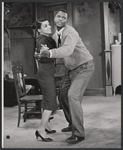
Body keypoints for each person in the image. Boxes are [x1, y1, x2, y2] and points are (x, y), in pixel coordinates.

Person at [41, 9, 95, 144]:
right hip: (71, 69)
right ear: (54, 18)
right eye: (58, 16)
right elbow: (54, 51)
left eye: (64, 18)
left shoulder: (70, 31)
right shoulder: (55, 36)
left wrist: (50, 53)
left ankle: (78, 133)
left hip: (84, 67)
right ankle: (72, 123)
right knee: (63, 96)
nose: (61, 19)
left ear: (67, 20)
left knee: (72, 96)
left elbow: (67, 50)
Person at [34, 18, 58, 142]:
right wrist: (42, 53)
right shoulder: (43, 39)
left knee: (46, 100)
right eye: (45, 26)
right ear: (39, 30)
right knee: (51, 102)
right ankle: (41, 130)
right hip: (46, 73)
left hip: (46, 72)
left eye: (48, 24)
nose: (49, 27)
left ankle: (46, 126)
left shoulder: (46, 38)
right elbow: (43, 54)